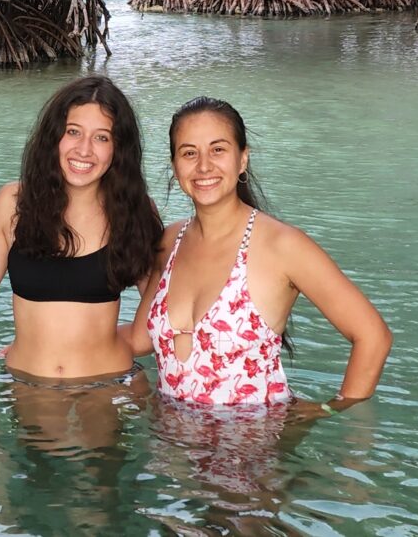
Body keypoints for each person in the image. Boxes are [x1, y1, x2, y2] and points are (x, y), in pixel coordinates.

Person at [127, 96, 392, 414]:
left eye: (218, 149)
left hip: (253, 453)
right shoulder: (169, 242)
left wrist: (328, 412)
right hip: (172, 452)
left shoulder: (282, 246)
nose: (204, 166)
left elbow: (373, 336)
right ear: (175, 166)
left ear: (242, 160)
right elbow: (141, 339)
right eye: (189, 153)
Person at [0, 75, 163, 383]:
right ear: (54, 137)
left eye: (102, 137)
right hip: (29, 383)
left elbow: (156, 322)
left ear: (119, 150)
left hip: (109, 382)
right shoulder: (13, 203)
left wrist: (88, 343)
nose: (84, 149)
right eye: (73, 132)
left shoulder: (136, 211)